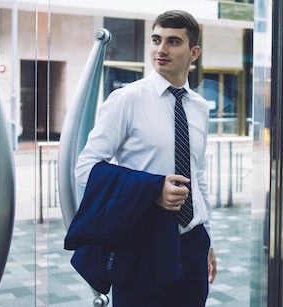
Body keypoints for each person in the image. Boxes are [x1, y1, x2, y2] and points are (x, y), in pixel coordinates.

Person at [68, 10, 216, 306]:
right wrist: (152, 190)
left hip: (192, 242)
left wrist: (208, 240)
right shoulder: (126, 99)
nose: (161, 50)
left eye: (173, 42)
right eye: (156, 40)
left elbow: (197, 177)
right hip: (143, 243)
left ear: (193, 52)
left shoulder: (200, 107)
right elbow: (85, 168)